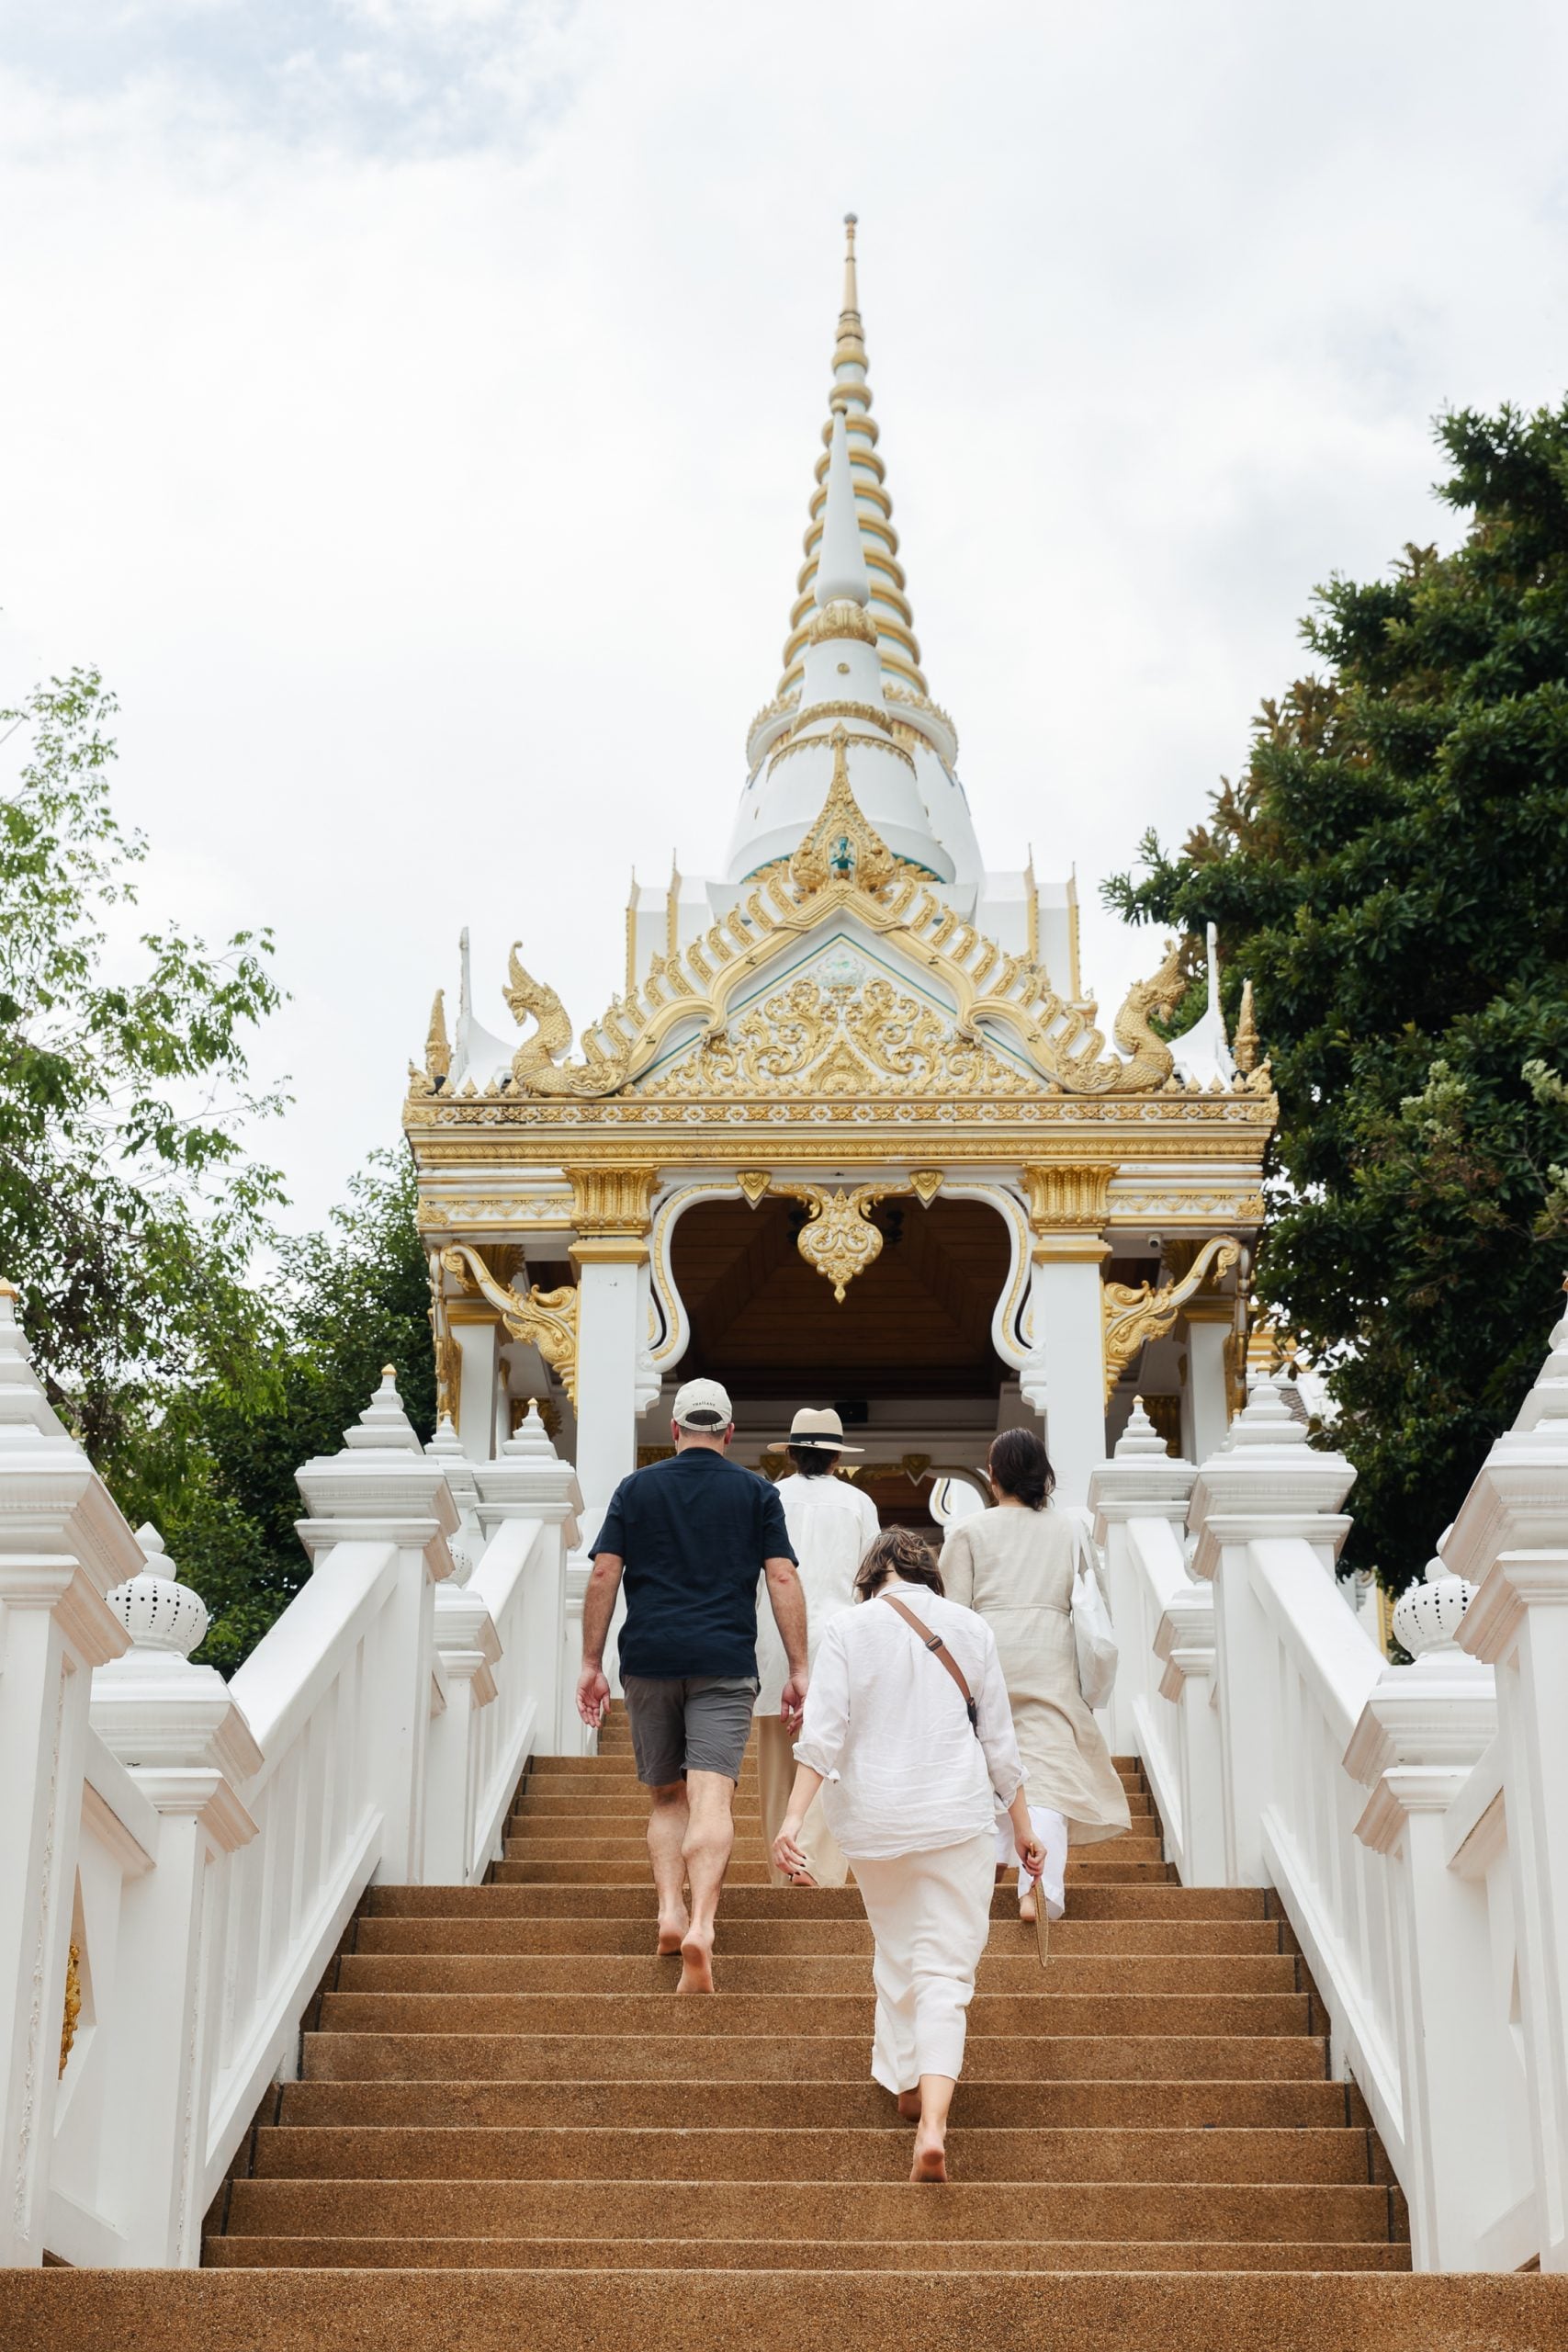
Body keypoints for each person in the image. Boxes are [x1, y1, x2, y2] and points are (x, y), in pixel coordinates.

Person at [772, 1526, 1043, 2185]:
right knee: (945, 1969)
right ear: (928, 1574)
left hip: (874, 1823)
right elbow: (998, 1742)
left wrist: (792, 1820)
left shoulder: (845, 1627)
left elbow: (823, 1734)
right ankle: (933, 2126)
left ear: (870, 1576)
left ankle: (906, 2085)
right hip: (956, 1818)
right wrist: (1024, 1829)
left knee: (897, 1952)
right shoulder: (970, 1628)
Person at [577, 1376, 807, 1996]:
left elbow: (603, 1573)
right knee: (712, 1799)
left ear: (674, 1429)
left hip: (649, 1658)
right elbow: (783, 1579)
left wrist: (591, 1662)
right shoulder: (757, 1493)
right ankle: (703, 1925)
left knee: (666, 1798)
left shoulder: (635, 1488)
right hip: (724, 1662)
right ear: (729, 1433)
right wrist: (799, 1669)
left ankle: (670, 1913)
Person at [939, 1427, 1130, 1928]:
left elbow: (951, 1615)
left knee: (987, 1764)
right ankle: (1037, 1890)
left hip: (989, 1650)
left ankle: (979, 1879)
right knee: (1046, 1772)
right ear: (1042, 1473)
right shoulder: (1069, 1529)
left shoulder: (968, 1531)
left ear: (994, 1475)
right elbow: (1095, 1601)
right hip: (1051, 1653)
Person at [755, 1407, 880, 1890]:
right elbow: (872, 1583)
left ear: (791, 1453)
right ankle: (815, 1866)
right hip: (837, 1640)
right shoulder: (858, 1503)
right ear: (836, 1457)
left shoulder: (768, 1495)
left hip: (774, 1641)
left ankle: (782, 1871)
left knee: (776, 1767)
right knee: (831, 1759)